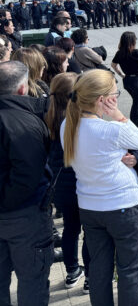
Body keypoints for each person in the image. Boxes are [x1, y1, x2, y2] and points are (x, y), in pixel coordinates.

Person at [61, 69, 138, 306]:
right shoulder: (111, 130)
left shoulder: (67, 125)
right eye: (114, 94)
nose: (116, 98)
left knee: (99, 268)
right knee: (129, 270)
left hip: (90, 206)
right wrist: (118, 115)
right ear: (102, 99)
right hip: (123, 207)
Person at [0, 61, 54, 305]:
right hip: (23, 215)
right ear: (23, 89)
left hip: (16, 209)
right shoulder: (24, 123)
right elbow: (28, 175)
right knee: (32, 281)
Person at [45, 72, 91, 293]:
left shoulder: (48, 117)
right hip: (80, 184)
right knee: (89, 232)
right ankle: (90, 276)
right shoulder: (76, 121)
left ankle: (72, 271)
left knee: (70, 229)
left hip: (60, 186)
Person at [110, 32, 138, 127]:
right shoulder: (135, 52)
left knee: (137, 102)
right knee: (137, 104)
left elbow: (113, 65)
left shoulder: (119, 53)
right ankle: (136, 125)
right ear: (132, 41)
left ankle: (135, 123)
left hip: (127, 81)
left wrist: (121, 75)